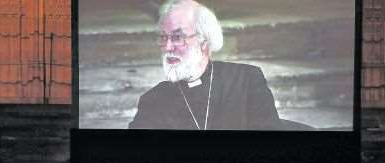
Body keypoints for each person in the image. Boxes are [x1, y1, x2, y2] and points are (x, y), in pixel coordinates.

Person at [129, 0, 310, 131]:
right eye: (163, 37)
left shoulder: (246, 81)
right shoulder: (153, 100)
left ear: (204, 41)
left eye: (178, 37)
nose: (168, 47)